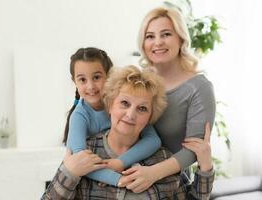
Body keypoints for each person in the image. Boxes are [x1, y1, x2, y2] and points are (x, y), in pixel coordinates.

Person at [41, 65, 214, 200]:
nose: (130, 115)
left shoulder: (162, 158)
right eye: (124, 103)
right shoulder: (85, 153)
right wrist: (69, 172)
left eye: (142, 108)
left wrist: (205, 168)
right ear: (110, 105)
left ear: (150, 117)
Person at [118, 6, 216, 193]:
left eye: (166, 34)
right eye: (150, 36)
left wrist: (152, 173)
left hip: (169, 184)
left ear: (180, 38)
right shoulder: (138, 79)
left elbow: (194, 149)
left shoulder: (199, 88)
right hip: (128, 173)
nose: (157, 43)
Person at [63, 47, 163, 186]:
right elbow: (79, 162)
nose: (90, 86)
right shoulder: (79, 116)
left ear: (109, 75)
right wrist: (119, 180)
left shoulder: (126, 105)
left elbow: (153, 140)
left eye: (96, 77)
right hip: (98, 177)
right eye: (82, 80)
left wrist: (120, 162)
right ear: (74, 81)